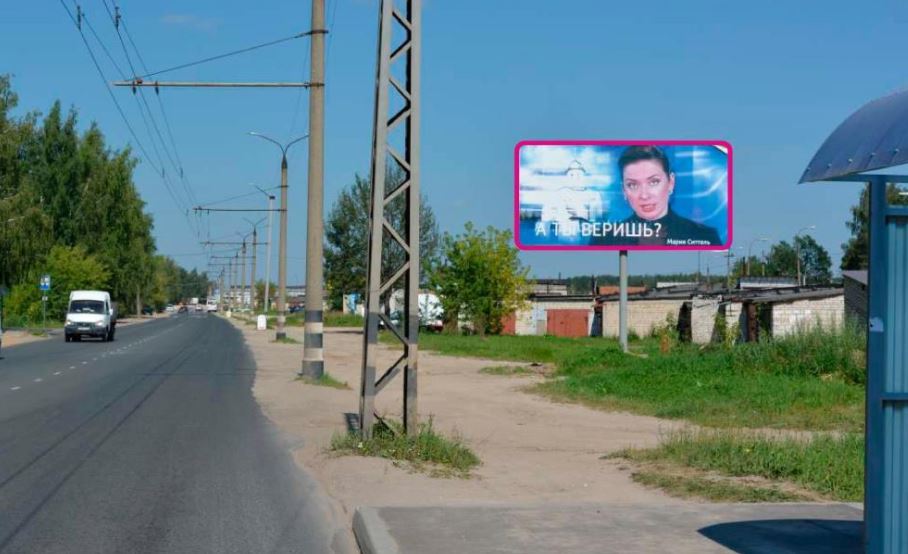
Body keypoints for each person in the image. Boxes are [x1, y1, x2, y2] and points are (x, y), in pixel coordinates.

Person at [593, 145, 721, 246]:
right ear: (624, 190)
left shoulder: (704, 236)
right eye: (632, 185)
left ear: (671, 182)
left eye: (653, 182)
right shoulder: (604, 238)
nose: (644, 195)